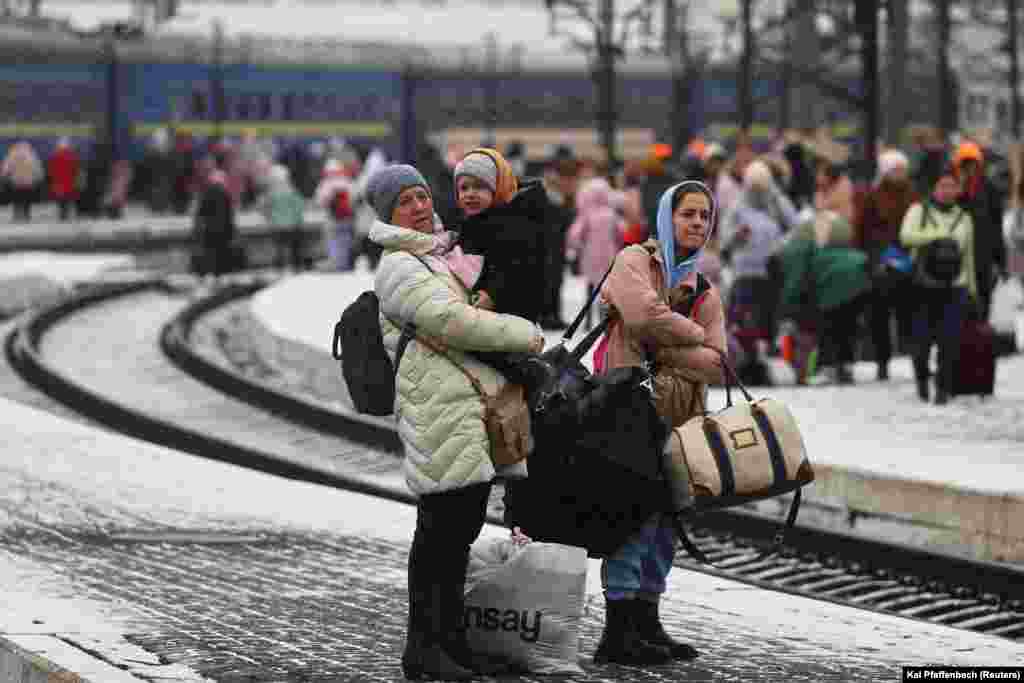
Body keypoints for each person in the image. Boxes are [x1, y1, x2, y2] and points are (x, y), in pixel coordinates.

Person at [367, 164, 545, 681]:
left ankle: (447, 642)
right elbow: (453, 321)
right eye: (405, 202)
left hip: (458, 405)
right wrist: (524, 334)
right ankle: (424, 649)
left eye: (422, 196)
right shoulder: (400, 266)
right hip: (436, 408)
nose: (420, 207)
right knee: (441, 534)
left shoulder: (434, 256)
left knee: (457, 530)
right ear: (387, 214)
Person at [595, 180, 726, 666]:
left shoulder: (704, 286)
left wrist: (668, 345)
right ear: (667, 218)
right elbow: (641, 314)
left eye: (704, 216)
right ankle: (618, 627)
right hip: (627, 411)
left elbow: (718, 362)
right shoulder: (634, 261)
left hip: (681, 420)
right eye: (687, 214)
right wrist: (690, 336)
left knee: (667, 521)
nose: (696, 223)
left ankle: (647, 620)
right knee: (632, 515)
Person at [900, 170, 977, 405]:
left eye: (952, 186)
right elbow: (906, 236)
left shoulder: (964, 217)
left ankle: (943, 388)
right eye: (942, 186)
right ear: (934, 189)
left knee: (949, 341)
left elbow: (968, 257)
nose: (947, 191)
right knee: (921, 342)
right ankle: (922, 380)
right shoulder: (918, 211)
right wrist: (938, 236)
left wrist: (972, 290)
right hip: (924, 286)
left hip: (955, 286)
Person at [777, 211, 872, 385]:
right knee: (848, 327)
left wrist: (786, 306)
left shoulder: (801, 249)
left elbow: (796, 282)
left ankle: (829, 366)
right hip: (860, 284)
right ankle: (845, 366)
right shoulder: (842, 248)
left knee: (829, 328)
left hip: (834, 289)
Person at [856, 149, 919, 380]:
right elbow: (861, 230)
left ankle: (916, 359)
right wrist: (871, 257)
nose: (900, 174)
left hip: (907, 262)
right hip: (880, 263)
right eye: (895, 170)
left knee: (910, 315)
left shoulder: (912, 195)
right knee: (879, 316)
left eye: (903, 169)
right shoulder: (873, 196)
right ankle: (882, 362)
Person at [951, 141, 1007, 321]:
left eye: (972, 163)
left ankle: (979, 339)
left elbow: (996, 227)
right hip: (955, 256)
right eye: (964, 164)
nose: (969, 168)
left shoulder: (990, 190)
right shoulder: (950, 188)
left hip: (983, 255)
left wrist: (1000, 261)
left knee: (982, 301)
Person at [567, 175, 626, 329]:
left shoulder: (587, 214)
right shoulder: (612, 214)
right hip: (608, 255)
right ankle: (602, 318)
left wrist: (577, 246)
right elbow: (620, 233)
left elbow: (575, 234)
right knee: (605, 289)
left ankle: (587, 320)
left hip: (590, 255)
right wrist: (618, 246)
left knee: (590, 287)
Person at [192, 170, 238, 278]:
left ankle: (210, 273)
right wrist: (232, 230)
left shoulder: (206, 194)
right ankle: (220, 274)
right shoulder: (226, 194)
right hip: (223, 230)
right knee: (222, 253)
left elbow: (200, 212)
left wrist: (198, 228)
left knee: (210, 252)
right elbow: (229, 215)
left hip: (209, 229)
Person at [261, 164, 307, 270]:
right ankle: (296, 267)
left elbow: (264, 207)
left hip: (277, 226)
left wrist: (269, 218)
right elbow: (300, 206)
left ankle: (280, 267)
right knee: (294, 249)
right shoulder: (292, 191)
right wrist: (298, 219)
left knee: (279, 249)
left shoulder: (271, 193)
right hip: (293, 225)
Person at [315, 159, 358, 271]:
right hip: (347, 217)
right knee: (346, 241)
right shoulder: (347, 181)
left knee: (333, 241)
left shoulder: (326, 183)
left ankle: (335, 263)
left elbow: (320, 200)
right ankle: (344, 263)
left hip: (333, 218)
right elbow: (355, 197)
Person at [1, 141, 43, 222]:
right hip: (28, 182)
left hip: (16, 182)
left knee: (16, 198)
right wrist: (39, 177)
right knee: (27, 199)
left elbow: (6, 167)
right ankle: (26, 215)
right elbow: (37, 168)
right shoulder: (31, 155)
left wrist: (4, 176)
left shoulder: (12, 154)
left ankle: (17, 214)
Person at [47, 138, 80, 221]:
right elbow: (75, 169)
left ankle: (62, 215)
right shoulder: (72, 156)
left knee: (61, 200)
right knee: (67, 200)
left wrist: (53, 179)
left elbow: (51, 170)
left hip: (58, 183)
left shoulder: (55, 156)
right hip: (69, 182)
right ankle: (66, 215)